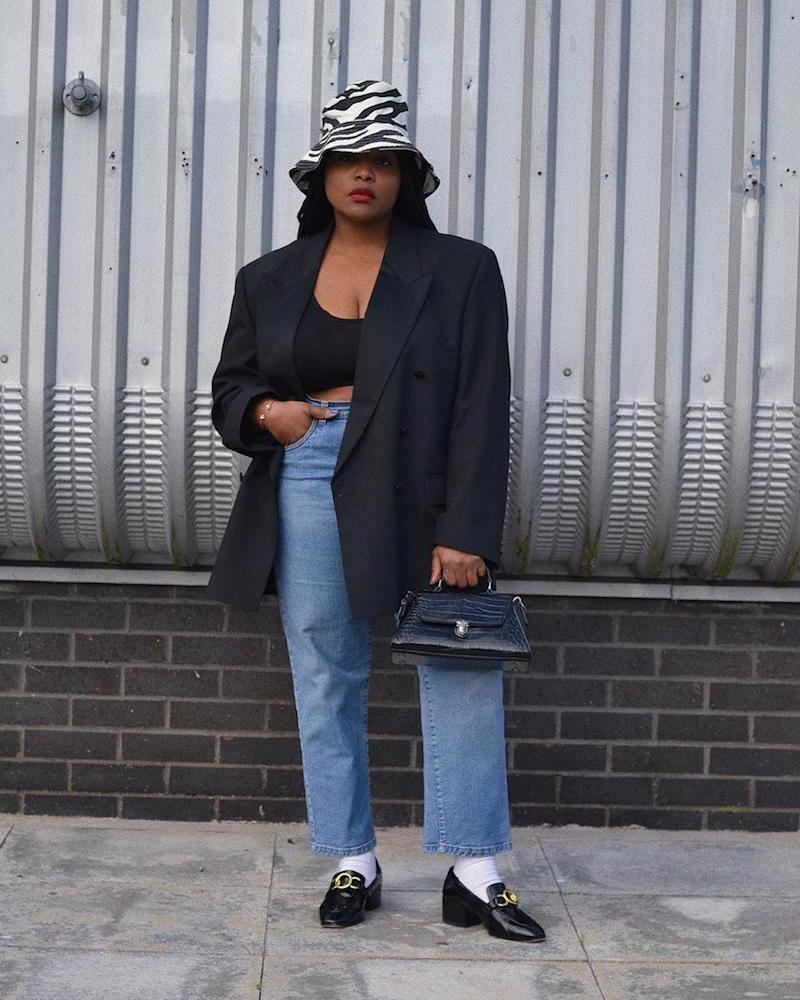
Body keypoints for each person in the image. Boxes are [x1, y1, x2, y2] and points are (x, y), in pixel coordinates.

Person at [208, 80, 545, 942]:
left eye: (382, 159)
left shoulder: (463, 268)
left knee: (459, 659)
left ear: (407, 175)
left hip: (423, 475)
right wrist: (265, 414)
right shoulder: (269, 277)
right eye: (347, 158)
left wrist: (466, 528)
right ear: (319, 176)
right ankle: (351, 856)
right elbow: (230, 388)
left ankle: (475, 868)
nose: (365, 173)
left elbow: (481, 400)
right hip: (310, 468)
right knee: (327, 666)